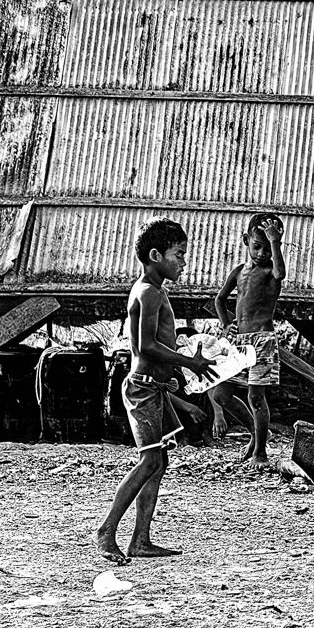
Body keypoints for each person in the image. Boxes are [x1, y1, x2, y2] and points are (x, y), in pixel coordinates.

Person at [95, 218, 215, 564]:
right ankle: (107, 530)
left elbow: (158, 343)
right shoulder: (147, 291)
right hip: (142, 388)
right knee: (149, 460)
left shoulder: (157, 291)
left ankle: (141, 540)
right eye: (179, 254)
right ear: (155, 254)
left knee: (158, 462)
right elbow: (144, 346)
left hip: (156, 387)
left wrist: (174, 374)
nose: (184, 262)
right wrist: (187, 362)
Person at [215, 213, 286, 469]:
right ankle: (258, 433)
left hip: (262, 340)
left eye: (269, 248)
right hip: (238, 340)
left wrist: (274, 242)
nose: (262, 253)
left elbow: (281, 272)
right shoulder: (238, 272)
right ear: (246, 241)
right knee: (221, 394)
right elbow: (220, 299)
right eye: (257, 246)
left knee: (256, 397)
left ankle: (260, 452)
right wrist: (225, 323)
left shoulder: (271, 272)